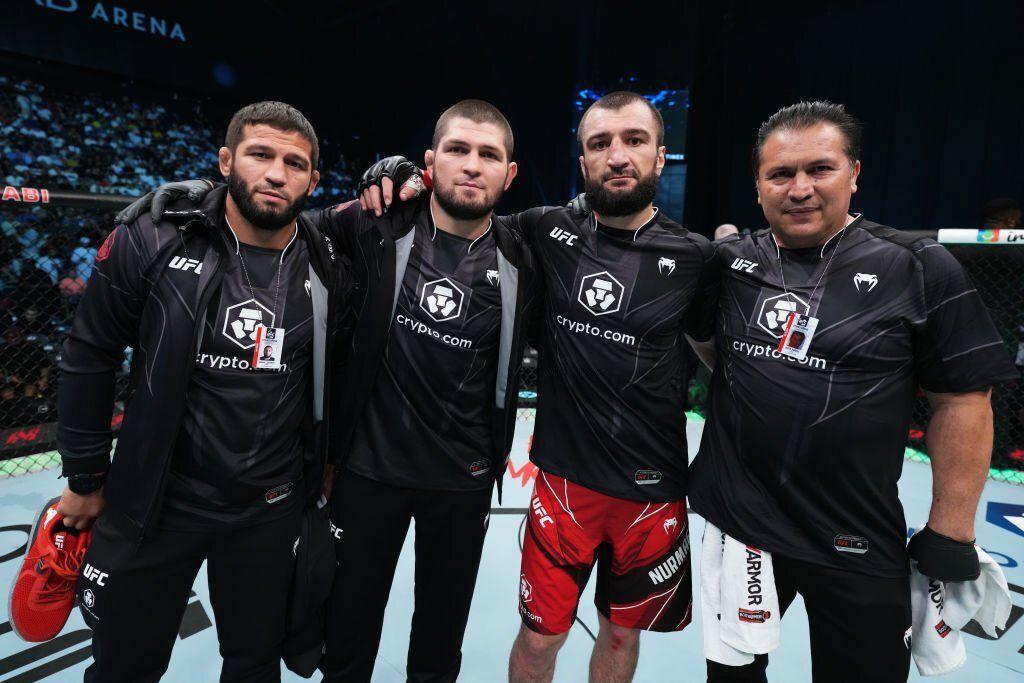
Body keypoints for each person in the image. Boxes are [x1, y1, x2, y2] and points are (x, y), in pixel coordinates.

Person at [118, 99, 539, 683]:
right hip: (366, 471)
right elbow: (273, 216)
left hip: (462, 481)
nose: (471, 165)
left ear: (510, 173)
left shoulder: (525, 251)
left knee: (441, 643)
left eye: (488, 155)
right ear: (429, 162)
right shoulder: (372, 225)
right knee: (347, 638)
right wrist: (197, 196)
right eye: (456, 150)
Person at [359, 91, 717, 683]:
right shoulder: (544, 231)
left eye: (634, 141)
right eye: (599, 143)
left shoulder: (697, 259)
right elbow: (460, 211)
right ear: (583, 162)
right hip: (563, 488)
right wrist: (401, 174)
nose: (617, 155)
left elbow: (723, 364)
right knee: (535, 645)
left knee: (622, 637)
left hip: (651, 495)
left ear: (660, 158)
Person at [687, 101, 1018, 682]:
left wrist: (952, 528)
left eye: (820, 169)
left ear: (855, 172)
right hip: (743, 521)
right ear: (758, 186)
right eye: (780, 174)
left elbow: (962, 400)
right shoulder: (733, 263)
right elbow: (717, 352)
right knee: (732, 676)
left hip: (855, 530)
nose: (800, 188)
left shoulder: (916, 266)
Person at [54, 101, 351, 681]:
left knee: (254, 663)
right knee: (122, 667)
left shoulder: (328, 258)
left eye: (295, 163)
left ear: (313, 181)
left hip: (269, 506)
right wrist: (85, 477)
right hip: (160, 502)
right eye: (260, 154)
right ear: (225, 160)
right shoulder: (155, 234)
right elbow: (89, 352)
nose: (275, 174)